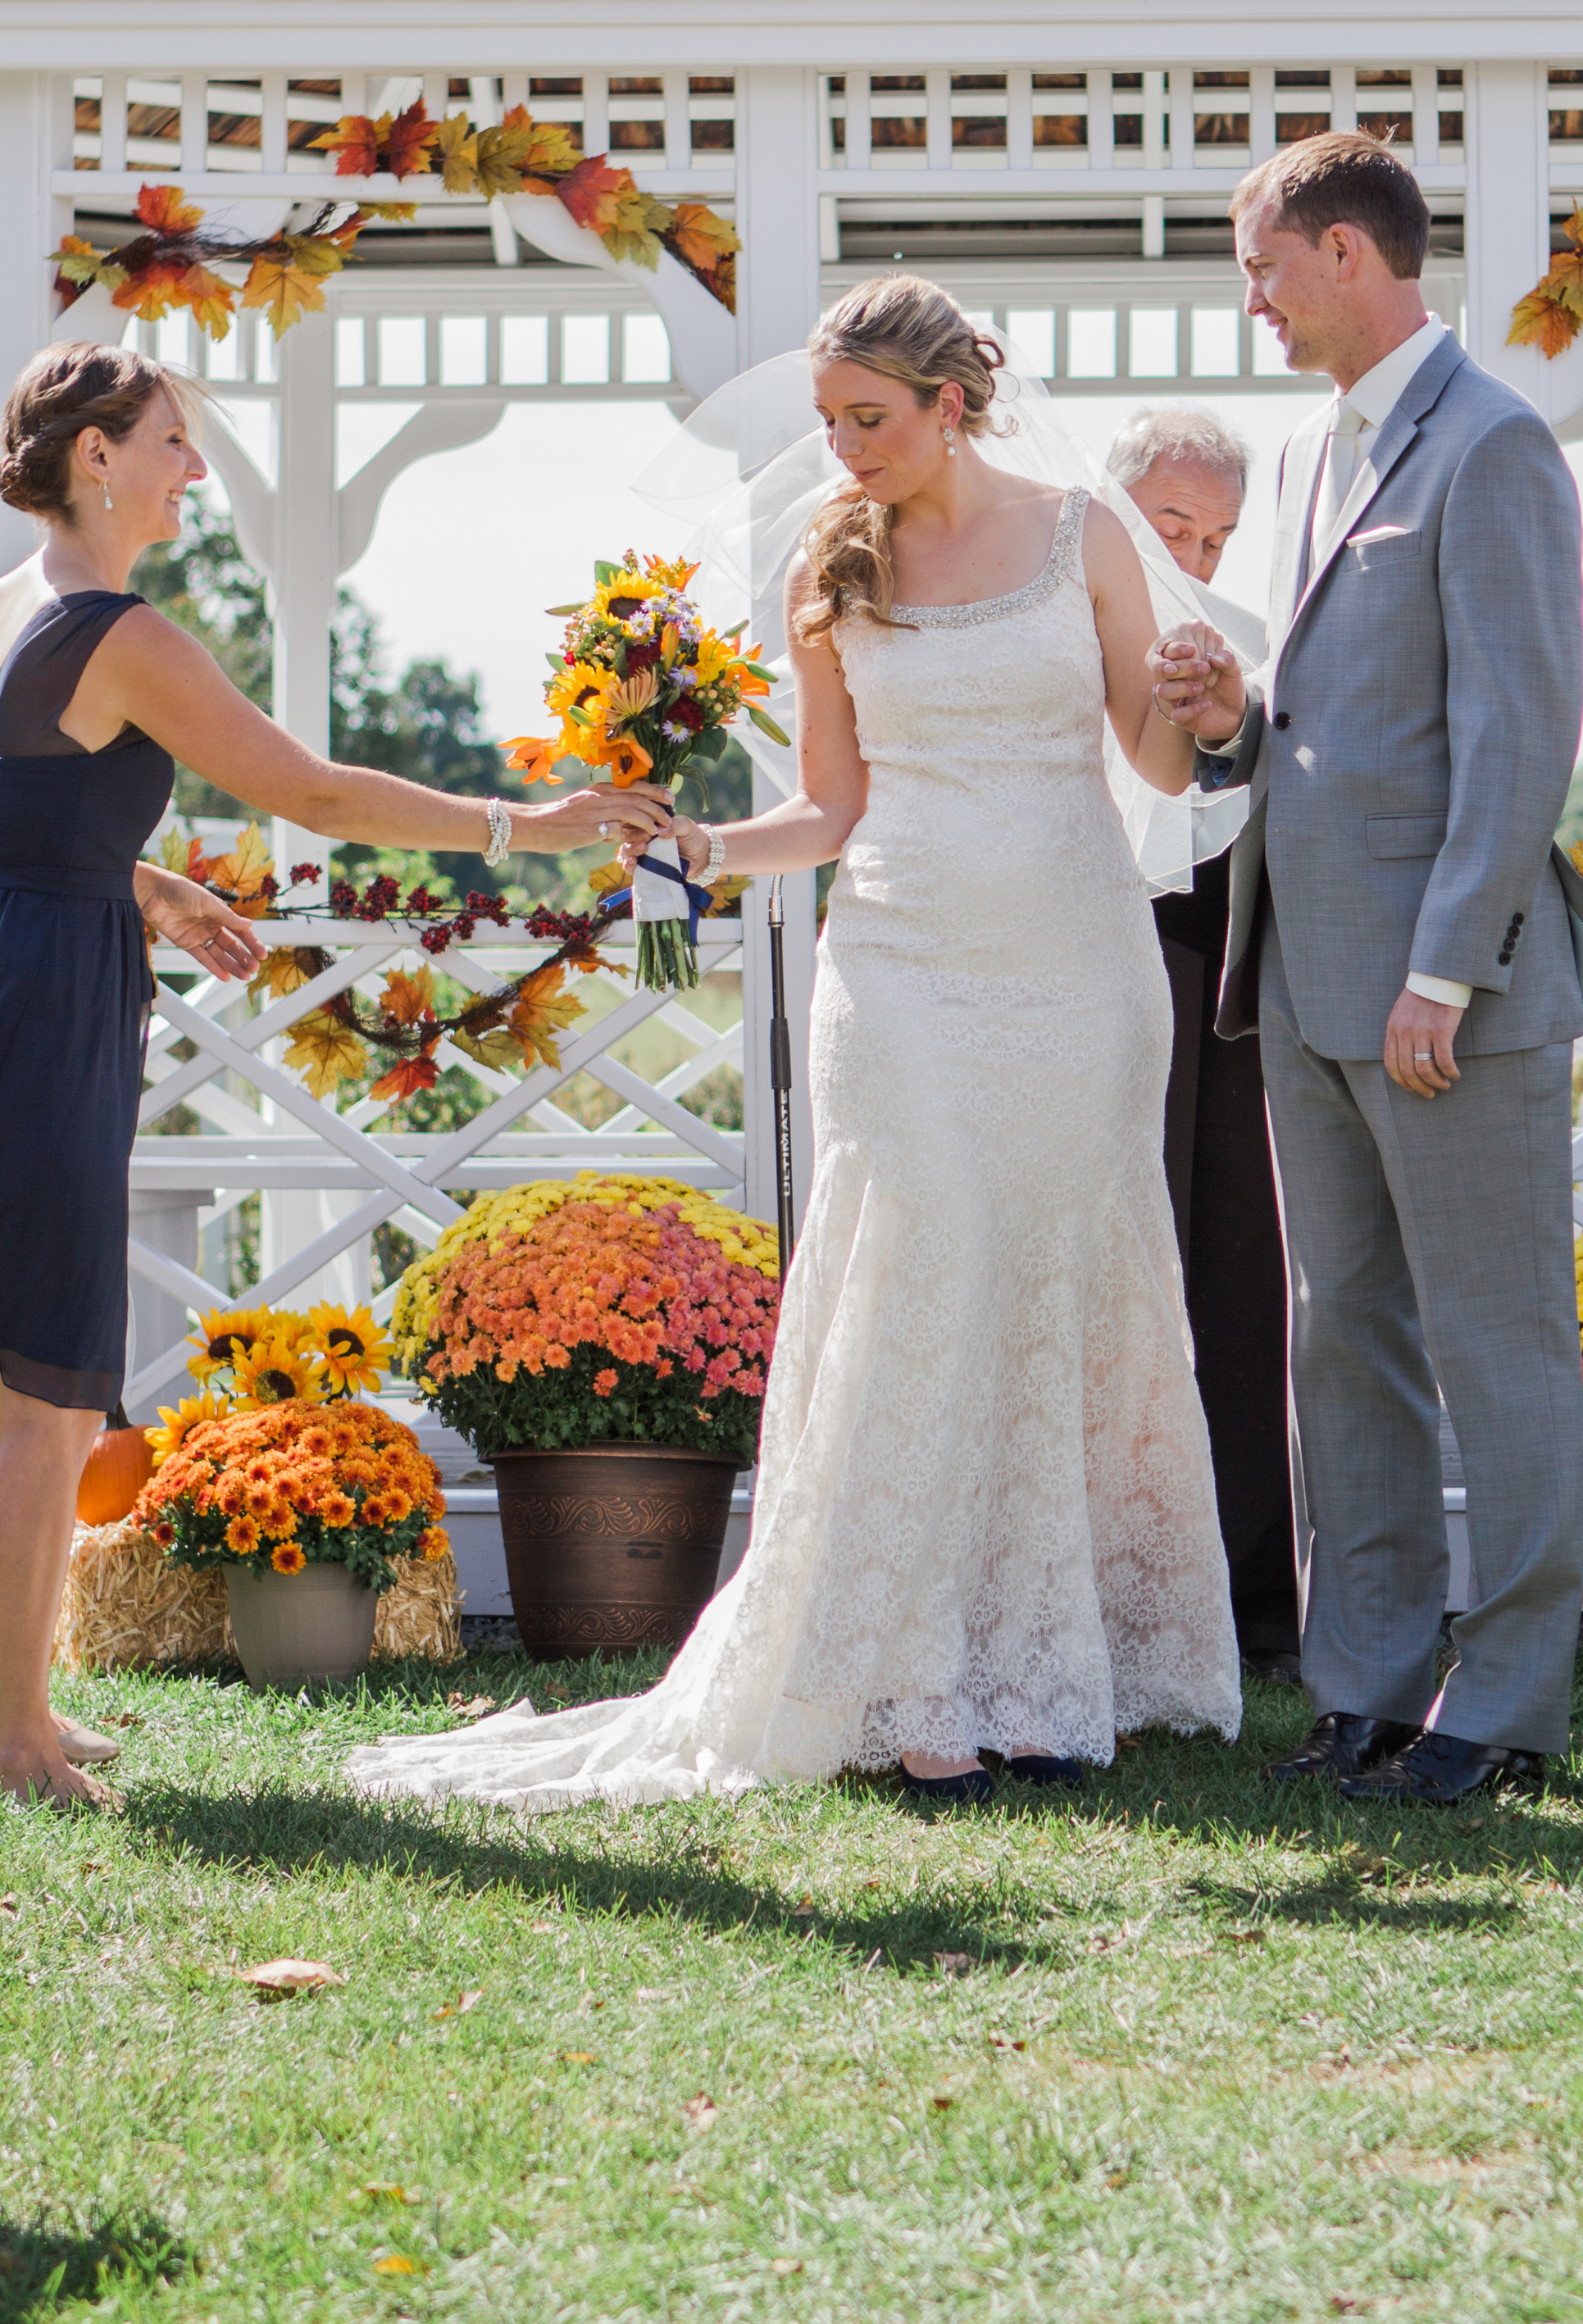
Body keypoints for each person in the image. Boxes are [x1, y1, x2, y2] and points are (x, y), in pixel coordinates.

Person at [346, 272, 1240, 1812]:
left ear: (955, 401)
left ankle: (1042, 1662)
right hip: (895, 971)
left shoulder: (1088, 535)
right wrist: (699, 844)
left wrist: (1208, 710)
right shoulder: (834, 562)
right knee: (927, 1265)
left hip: (1079, 971)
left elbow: (1151, 754)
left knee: (1055, 1285)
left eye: (869, 419)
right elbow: (830, 808)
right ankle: (907, 1676)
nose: (843, 450)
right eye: (828, 421)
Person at [0, 343, 657, 1808]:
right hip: (45, 1007)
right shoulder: (125, 631)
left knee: (8, 1390)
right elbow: (310, 789)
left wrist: (142, 886)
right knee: (54, 1400)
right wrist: (532, 824)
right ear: (97, 457)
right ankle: (13, 1744)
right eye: (174, 440)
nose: (195, 467)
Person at [1152, 130, 1583, 1809]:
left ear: (1346, 255)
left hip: (1441, 1000)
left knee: (1490, 1347)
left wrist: (1448, 971)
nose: (1255, 308)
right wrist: (1224, 722)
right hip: (1293, 979)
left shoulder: (1491, 448)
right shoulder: (1291, 461)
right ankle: (1360, 1687)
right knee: (1333, 1334)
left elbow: (1517, 734)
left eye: (1263, 274)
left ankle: (1499, 1705)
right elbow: (1307, 722)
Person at [1106, 407, 1299, 1683]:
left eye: (1219, 535)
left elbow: (1259, 772)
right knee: (1123, 1273)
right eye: (1174, 525)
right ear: (1116, 511)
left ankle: (1255, 1604)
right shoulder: (1058, 607)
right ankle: (1115, 1592)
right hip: (1095, 956)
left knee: (1244, 1276)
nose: (1197, 553)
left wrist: (1229, 725)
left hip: (1226, 968)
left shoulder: (1248, 638)